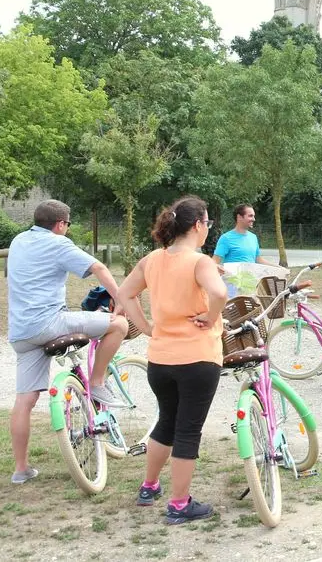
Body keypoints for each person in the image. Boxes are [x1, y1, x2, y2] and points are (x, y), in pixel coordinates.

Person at [116, 196, 227, 524]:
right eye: (207, 223)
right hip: (198, 359)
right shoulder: (200, 261)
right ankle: (179, 504)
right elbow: (220, 294)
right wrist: (210, 316)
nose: (208, 229)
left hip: (161, 360)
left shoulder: (152, 259)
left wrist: (148, 327)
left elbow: (124, 294)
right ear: (197, 225)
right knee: (188, 430)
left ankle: (149, 486)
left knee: (167, 421)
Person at [6, 200, 129, 485]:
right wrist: (120, 299)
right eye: (67, 225)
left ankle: (21, 469)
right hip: (50, 323)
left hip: (21, 333)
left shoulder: (18, 241)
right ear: (61, 224)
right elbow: (98, 267)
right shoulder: (58, 244)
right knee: (118, 325)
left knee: (24, 400)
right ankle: (97, 383)